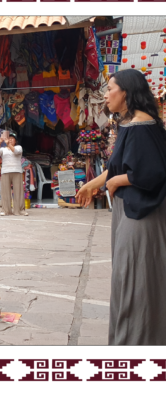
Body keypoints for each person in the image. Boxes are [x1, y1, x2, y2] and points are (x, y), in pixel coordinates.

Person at [76, 69, 166, 345]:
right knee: (127, 281)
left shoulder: (142, 126)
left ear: (125, 92)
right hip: (128, 212)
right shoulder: (130, 124)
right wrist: (90, 185)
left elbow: (152, 173)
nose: (105, 94)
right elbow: (118, 168)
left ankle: (135, 349)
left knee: (135, 284)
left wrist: (115, 180)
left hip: (141, 216)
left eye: (110, 88)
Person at [0, 130, 27, 216]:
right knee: (5, 191)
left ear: (15, 141)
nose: (10, 140)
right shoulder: (3, 149)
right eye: (9, 138)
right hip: (5, 171)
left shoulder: (19, 147)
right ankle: (6, 210)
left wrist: (8, 144)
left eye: (12, 139)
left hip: (17, 171)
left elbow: (15, 151)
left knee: (18, 191)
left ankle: (20, 210)